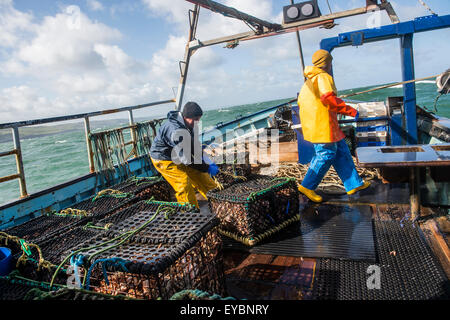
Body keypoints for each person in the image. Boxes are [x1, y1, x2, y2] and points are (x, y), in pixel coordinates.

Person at [296, 49, 370, 203]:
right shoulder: (323, 77)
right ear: (327, 63)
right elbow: (328, 99)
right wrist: (350, 111)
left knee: (341, 150)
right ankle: (307, 186)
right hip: (322, 126)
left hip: (317, 125)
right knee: (326, 154)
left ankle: (353, 184)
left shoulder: (308, 82)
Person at [150, 101, 219, 208]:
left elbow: (194, 144)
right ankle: (191, 215)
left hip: (178, 154)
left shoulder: (188, 124)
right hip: (163, 158)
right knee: (183, 184)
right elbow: (188, 161)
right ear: (186, 116)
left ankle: (218, 203)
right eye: (195, 120)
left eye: (198, 120)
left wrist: (206, 159)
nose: (197, 122)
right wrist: (206, 167)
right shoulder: (175, 130)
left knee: (201, 175)